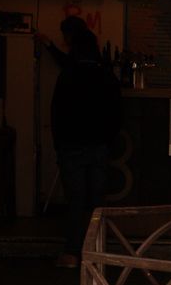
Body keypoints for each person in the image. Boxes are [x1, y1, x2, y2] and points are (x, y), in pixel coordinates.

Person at [39, 22, 121, 268]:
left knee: (75, 200)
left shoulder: (68, 75)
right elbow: (115, 114)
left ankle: (72, 252)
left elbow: (57, 113)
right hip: (98, 145)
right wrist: (108, 142)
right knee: (96, 202)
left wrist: (60, 145)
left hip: (71, 146)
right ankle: (97, 252)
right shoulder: (106, 76)